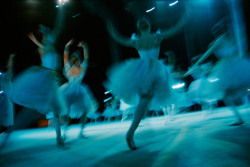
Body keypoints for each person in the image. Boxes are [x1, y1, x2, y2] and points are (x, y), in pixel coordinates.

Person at [105, 8, 189, 150]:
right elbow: (173, 30)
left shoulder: (136, 40)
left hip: (138, 71)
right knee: (144, 101)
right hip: (154, 70)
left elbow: (121, 40)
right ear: (149, 26)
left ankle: (137, 128)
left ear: (139, 28)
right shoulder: (156, 37)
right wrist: (184, 19)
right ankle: (130, 133)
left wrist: (112, 30)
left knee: (144, 101)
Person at [6, 24, 66, 146]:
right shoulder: (47, 47)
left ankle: (59, 139)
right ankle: (7, 136)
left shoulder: (49, 46)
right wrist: (40, 39)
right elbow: (56, 28)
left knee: (55, 110)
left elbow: (49, 39)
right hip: (45, 78)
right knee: (33, 111)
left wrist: (38, 40)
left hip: (51, 79)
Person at [185, 18, 250, 126]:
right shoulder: (230, 39)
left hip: (226, 67)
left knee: (226, 94)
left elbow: (206, 54)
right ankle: (239, 117)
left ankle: (239, 118)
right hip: (235, 63)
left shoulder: (219, 41)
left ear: (216, 33)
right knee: (232, 91)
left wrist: (195, 65)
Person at [60, 39, 98, 139]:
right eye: (74, 59)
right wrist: (66, 47)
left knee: (85, 110)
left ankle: (81, 131)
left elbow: (86, 58)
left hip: (79, 91)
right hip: (69, 91)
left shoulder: (82, 67)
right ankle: (64, 132)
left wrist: (85, 47)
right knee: (66, 111)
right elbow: (65, 57)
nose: (75, 61)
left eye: (76, 59)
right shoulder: (68, 67)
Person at [0, 54, 15, 133]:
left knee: (6, 117)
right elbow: (10, 68)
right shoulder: (3, 76)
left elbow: (10, 68)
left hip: (6, 99)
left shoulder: (5, 76)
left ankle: (6, 130)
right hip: (4, 99)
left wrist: (10, 59)